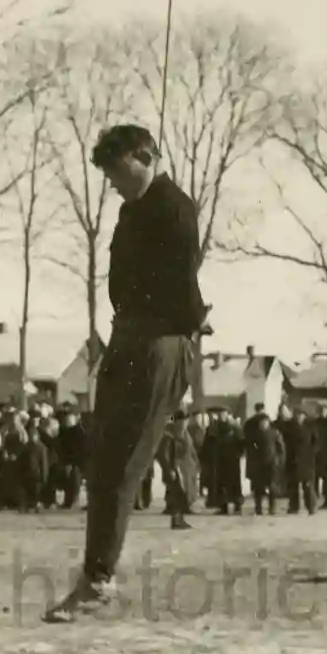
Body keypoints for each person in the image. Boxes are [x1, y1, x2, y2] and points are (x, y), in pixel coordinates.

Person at [46, 123, 204, 621]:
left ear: (146, 155)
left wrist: (182, 323)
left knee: (123, 464)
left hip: (158, 342)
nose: (113, 181)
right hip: (129, 338)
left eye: (118, 170)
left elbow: (181, 287)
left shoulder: (174, 207)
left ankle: (98, 579)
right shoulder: (129, 211)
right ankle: (95, 575)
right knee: (105, 462)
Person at [160, 410, 198, 529]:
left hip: (179, 469)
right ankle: (176, 520)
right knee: (176, 495)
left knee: (180, 495)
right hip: (173, 469)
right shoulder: (169, 436)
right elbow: (164, 454)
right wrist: (169, 469)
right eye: (184, 421)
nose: (186, 423)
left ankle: (179, 519)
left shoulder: (182, 434)